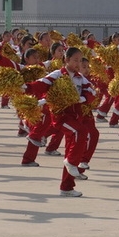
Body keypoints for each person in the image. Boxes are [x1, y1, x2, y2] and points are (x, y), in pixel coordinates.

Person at [25, 47, 96, 197]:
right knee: (80, 133)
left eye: (80, 60)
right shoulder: (57, 75)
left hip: (75, 117)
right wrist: (25, 88)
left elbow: (91, 93)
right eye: (75, 60)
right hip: (61, 117)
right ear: (67, 60)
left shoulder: (80, 78)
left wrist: (82, 98)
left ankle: (67, 187)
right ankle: (71, 162)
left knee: (74, 146)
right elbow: (41, 84)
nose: (78, 64)